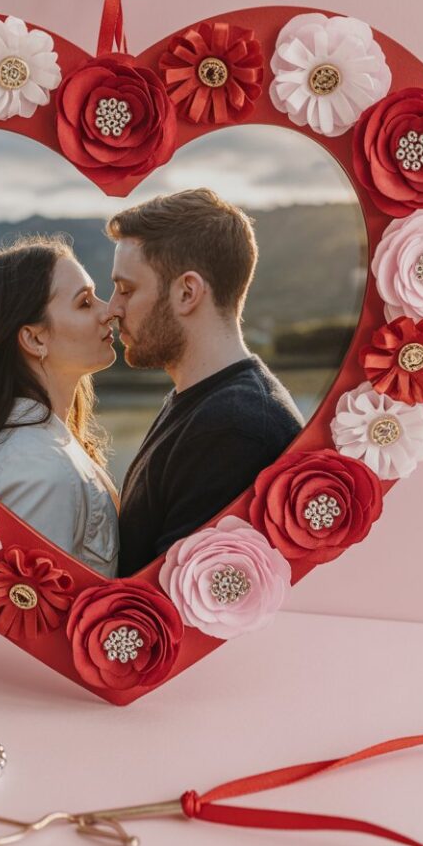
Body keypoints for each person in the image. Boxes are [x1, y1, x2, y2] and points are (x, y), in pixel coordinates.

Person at [105, 188, 304, 576]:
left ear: (187, 292)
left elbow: (170, 606)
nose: (113, 308)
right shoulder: (199, 400)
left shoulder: (235, 428)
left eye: (126, 289)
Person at [0, 234, 120, 576]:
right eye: (85, 303)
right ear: (34, 338)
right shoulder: (38, 471)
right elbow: (28, 619)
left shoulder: (46, 447)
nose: (109, 311)